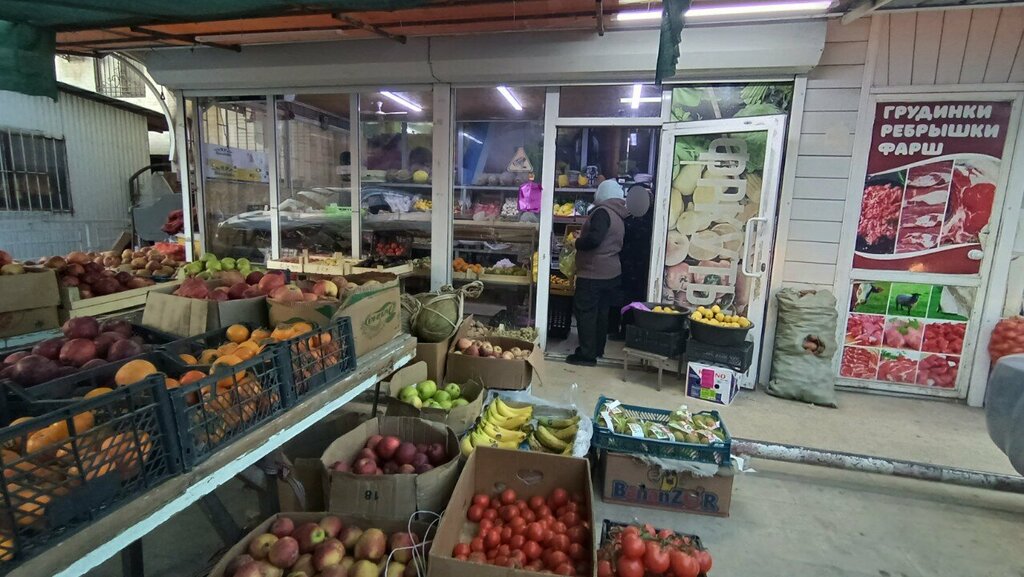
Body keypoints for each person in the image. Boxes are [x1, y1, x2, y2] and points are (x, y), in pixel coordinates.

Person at [567, 179, 629, 366]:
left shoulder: (602, 212)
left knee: (586, 313)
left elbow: (594, 240)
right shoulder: (619, 214)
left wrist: (576, 242)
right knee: (602, 314)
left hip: (593, 273)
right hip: (611, 273)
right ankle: (597, 349)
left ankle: (586, 355)